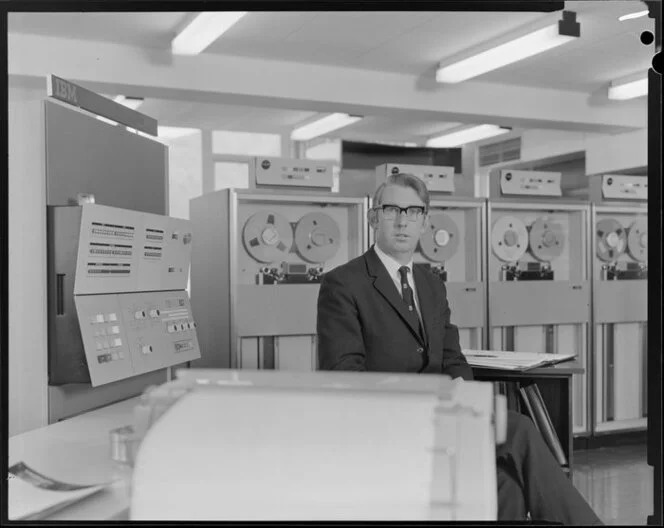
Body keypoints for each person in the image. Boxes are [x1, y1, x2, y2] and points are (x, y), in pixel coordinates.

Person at [316, 172, 603, 524]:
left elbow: (452, 357)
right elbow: (344, 375)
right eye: (392, 210)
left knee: (506, 485)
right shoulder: (344, 283)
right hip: (387, 425)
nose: (403, 221)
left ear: (424, 221)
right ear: (374, 217)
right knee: (521, 431)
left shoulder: (431, 284)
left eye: (413, 212)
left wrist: (464, 394)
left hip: (444, 419)